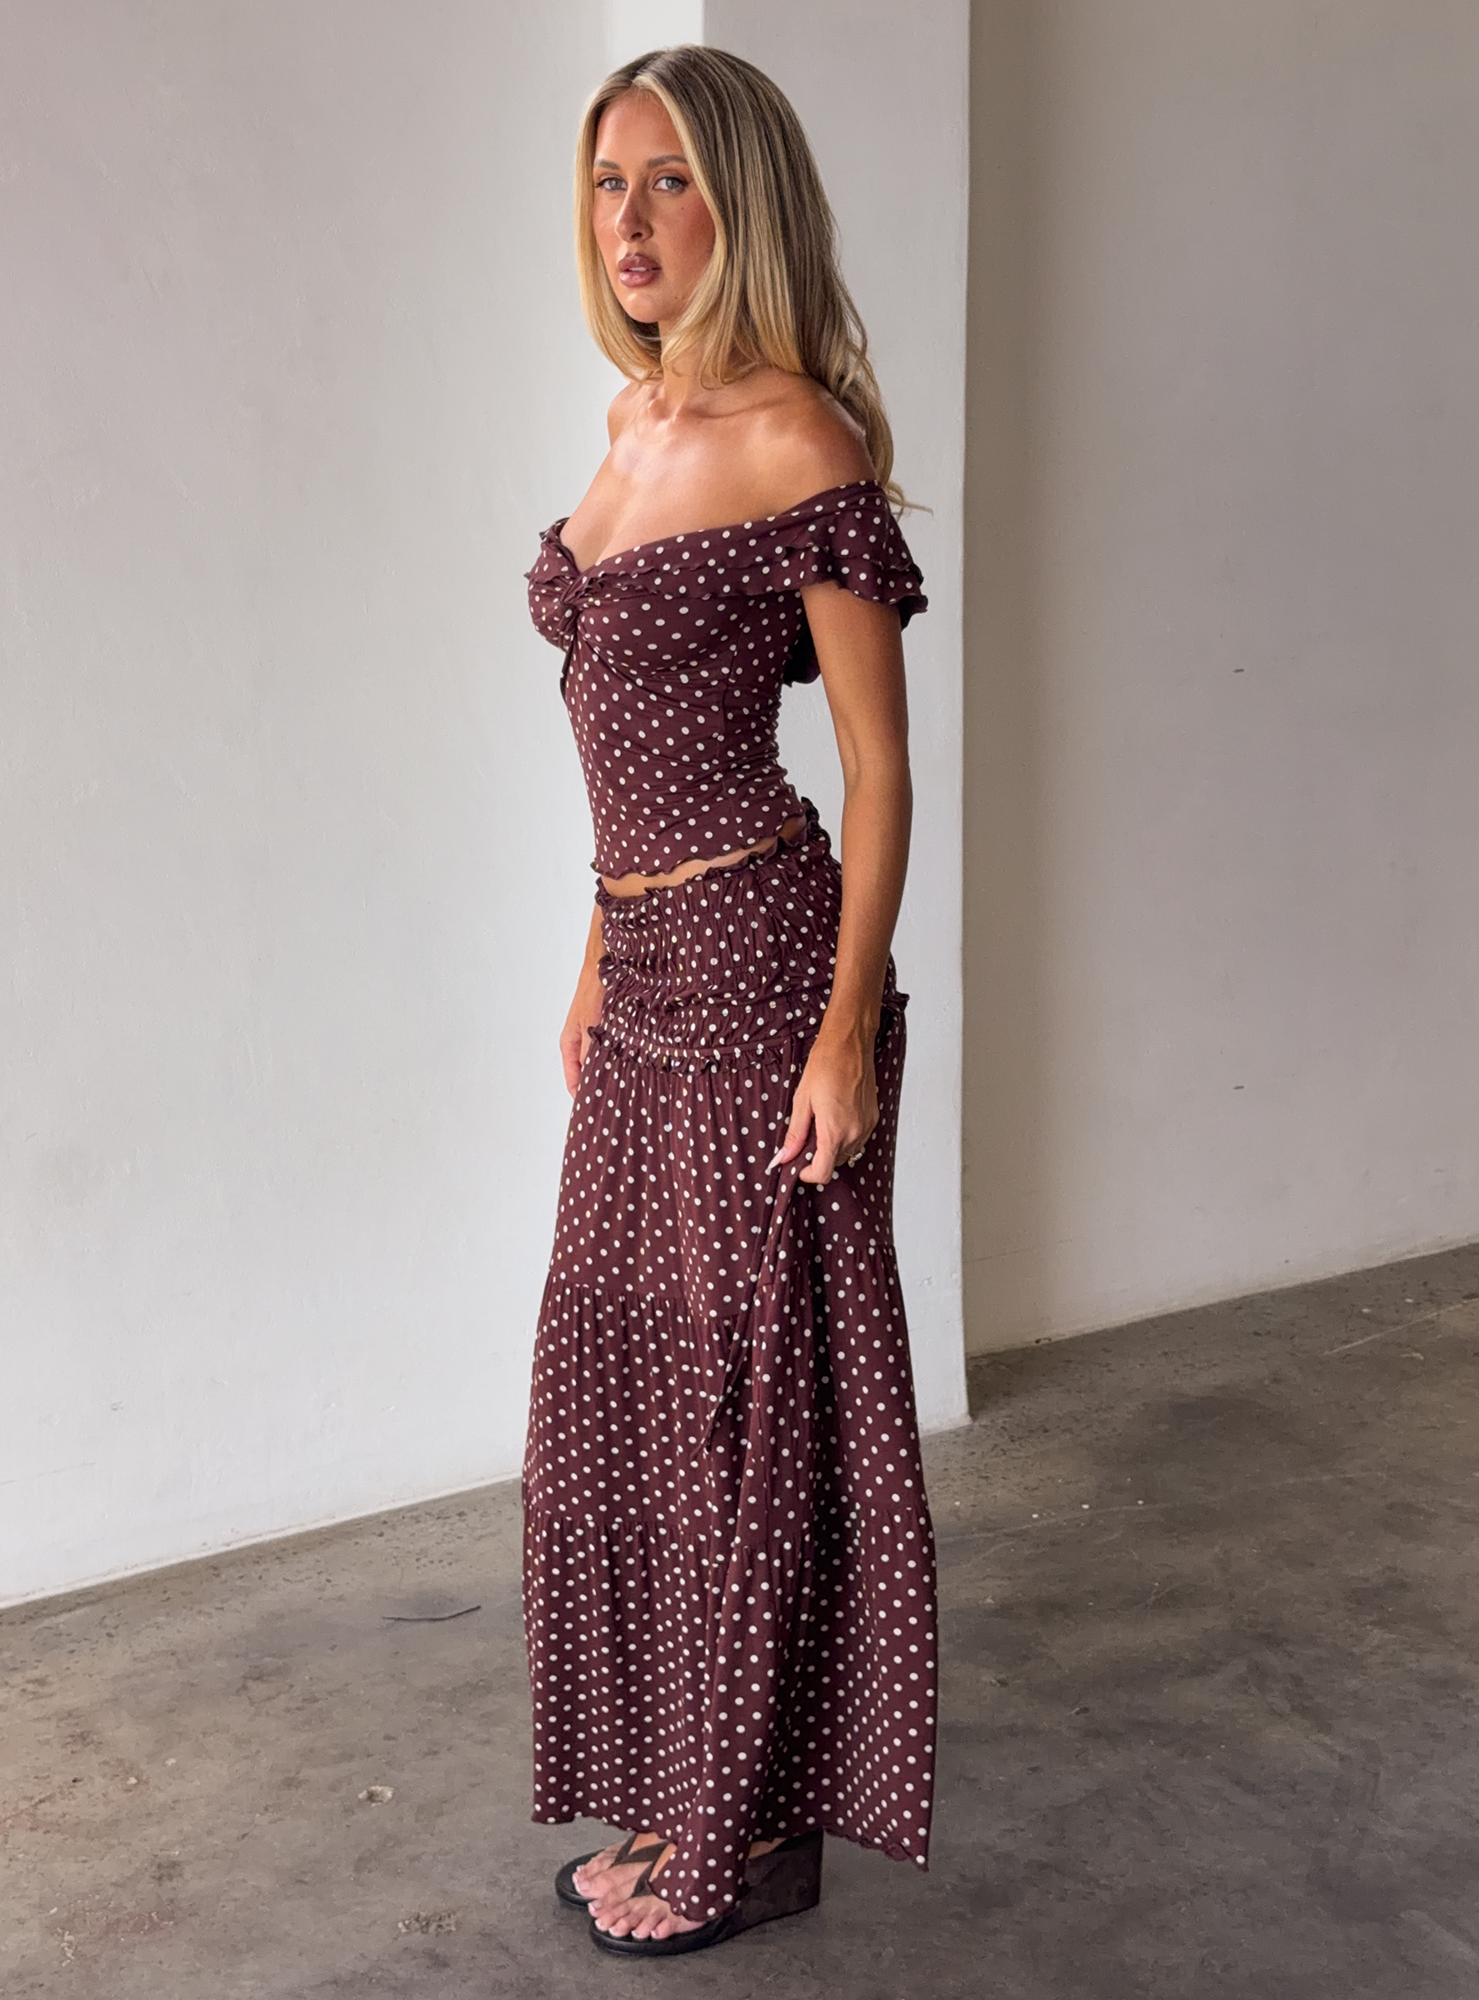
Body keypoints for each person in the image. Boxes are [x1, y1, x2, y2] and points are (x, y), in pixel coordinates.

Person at [521, 44, 939, 1959]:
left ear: (740, 202)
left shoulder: (801, 440)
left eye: (669, 182)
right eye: (610, 182)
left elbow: (874, 768)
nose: (630, 220)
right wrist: (598, 956)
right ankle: (707, 1812)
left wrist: (847, 1031)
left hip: (773, 975)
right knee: (623, 1387)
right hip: (647, 969)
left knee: (749, 1417)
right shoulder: (623, 438)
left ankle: (734, 1842)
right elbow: (625, 751)